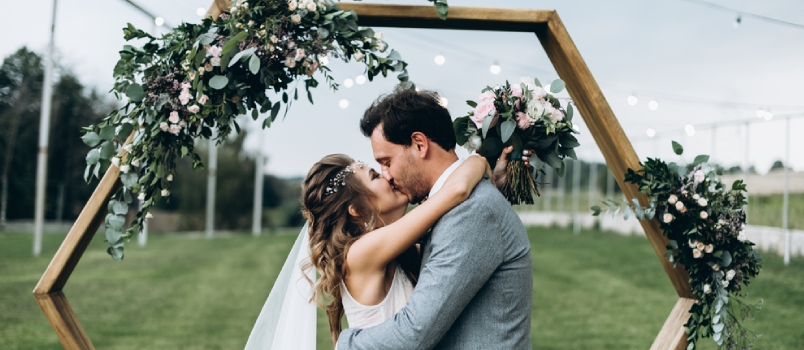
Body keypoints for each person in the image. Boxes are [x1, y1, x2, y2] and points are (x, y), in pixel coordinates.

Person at [336, 88, 533, 350]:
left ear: (419, 144)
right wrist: (478, 164)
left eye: (386, 161)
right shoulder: (455, 204)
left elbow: (414, 333)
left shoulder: (470, 212)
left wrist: (345, 344)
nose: (386, 175)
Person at [301, 153, 492, 345]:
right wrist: (479, 159)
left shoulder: (399, 254)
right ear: (356, 210)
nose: (388, 177)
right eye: (375, 176)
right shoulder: (359, 254)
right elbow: (457, 190)